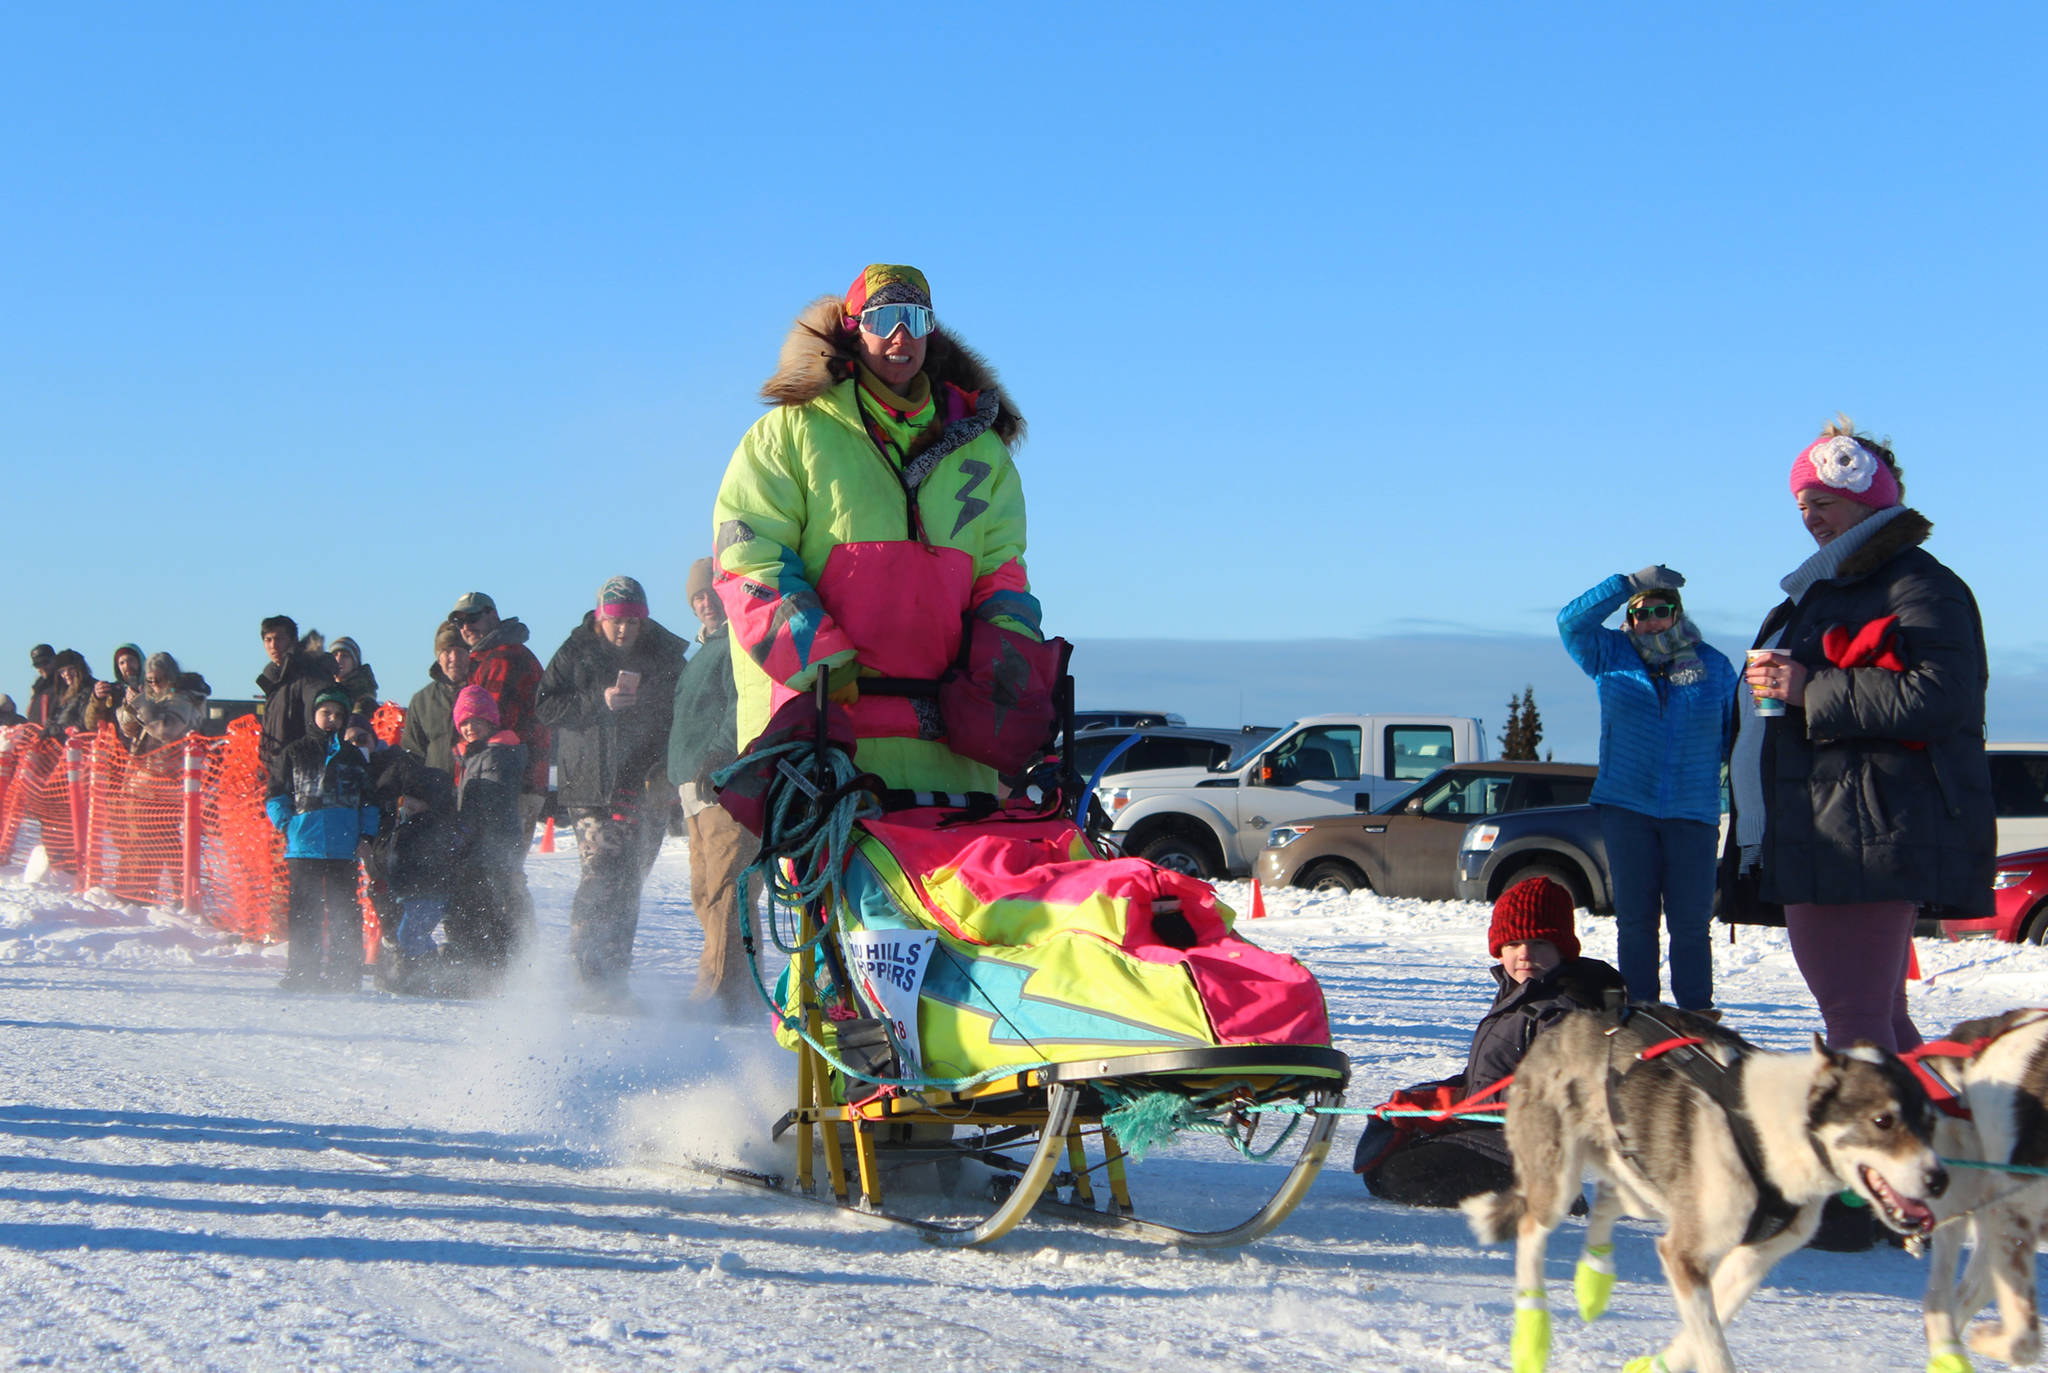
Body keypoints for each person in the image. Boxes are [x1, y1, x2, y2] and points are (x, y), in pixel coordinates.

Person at [711, 263, 1042, 795]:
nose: (899, 334)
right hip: (821, 734)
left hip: (950, 745)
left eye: (914, 317)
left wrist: (1006, 670)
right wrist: (820, 661)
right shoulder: (792, 431)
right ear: (852, 327)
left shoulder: (981, 450)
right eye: (883, 316)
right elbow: (748, 558)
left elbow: (1002, 572)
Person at [1728, 418, 1993, 1054]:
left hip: (1864, 833)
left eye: (1822, 502)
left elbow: (1944, 694)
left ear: (1867, 499)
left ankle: (1892, 1152)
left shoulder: (1916, 583)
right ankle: (1938, 1141)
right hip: (1828, 827)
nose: (1810, 518)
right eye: (1801, 506)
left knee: (1855, 1026)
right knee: (1878, 1021)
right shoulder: (1825, 590)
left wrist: (1806, 686)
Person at [1355, 876, 1625, 1206]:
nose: (1525, 954)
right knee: (1388, 1153)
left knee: (1398, 1174)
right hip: (1489, 1133)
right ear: (1499, 949)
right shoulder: (1515, 995)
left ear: (1562, 949)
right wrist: (1432, 1095)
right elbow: (1491, 1071)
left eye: (1539, 943)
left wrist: (1460, 1101)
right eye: (1513, 944)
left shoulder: (1562, 1011)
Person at [1558, 568, 1736, 1009]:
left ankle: (1696, 1016)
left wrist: (1738, 802)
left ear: (1678, 615)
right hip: (1626, 808)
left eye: (1662, 611)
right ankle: (1641, 1013)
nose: (1652, 621)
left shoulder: (1713, 665)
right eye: (1642, 613)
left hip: (1693, 812)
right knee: (1636, 922)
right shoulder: (1609, 655)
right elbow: (1569, 622)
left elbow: (1735, 737)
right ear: (1630, 618)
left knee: (1691, 923)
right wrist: (1628, 584)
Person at [538, 576, 688, 999]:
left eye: (632, 621)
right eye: (616, 621)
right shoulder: (577, 648)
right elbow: (545, 704)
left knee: (629, 881)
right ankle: (585, 974)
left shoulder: (665, 652)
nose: (623, 630)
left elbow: (683, 712)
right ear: (601, 616)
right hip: (592, 782)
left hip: (646, 782)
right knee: (601, 873)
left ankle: (613, 978)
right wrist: (596, 702)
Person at [668, 555, 759, 1018]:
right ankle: (736, 989)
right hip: (693, 788)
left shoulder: (739, 644)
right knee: (704, 892)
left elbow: (743, 703)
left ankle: (719, 992)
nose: (705, 602)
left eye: (712, 593)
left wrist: (722, 753)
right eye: (697, 596)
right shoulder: (701, 651)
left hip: (726, 784)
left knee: (728, 889)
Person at [265, 685, 379, 992]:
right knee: (305, 913)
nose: (331, 719)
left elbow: (369, 801)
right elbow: (275, 794)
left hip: (344, 848)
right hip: (304, 847)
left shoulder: (354, 757)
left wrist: (367, 834)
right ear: (314, 714)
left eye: (338, 715)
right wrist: (287, 823)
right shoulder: (294, 752)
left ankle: (345, 974)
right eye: (325, 712)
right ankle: (303, 974)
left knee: (345, 912)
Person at [442, 684, 529, 986]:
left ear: (490, 720)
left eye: (475, 720)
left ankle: (495, 969)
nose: (468, 727)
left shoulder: (497, 754)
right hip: (479, 846)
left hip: (493, 846)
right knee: (475, 905)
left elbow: (488, 803)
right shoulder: (474, 757)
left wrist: (464, 830)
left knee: (491, 906)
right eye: (463, 722)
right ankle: (479, 965)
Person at [447, 592, 549, 849]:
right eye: (460, 623)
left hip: (510, 782)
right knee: (498, 869)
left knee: (499, 867)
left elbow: (488, 726)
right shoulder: (484, 659)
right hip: (505, 778)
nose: (467, 627)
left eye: (473, 618)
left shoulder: (503, 658)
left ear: (492, 614)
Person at [257, 614, 338, 769]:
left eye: (279, 639)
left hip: (299, 768)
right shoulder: (276, 681)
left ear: (293, 641)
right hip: (273, 769)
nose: (273, 645)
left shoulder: (310, 673)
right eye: (268, 640)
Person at [400, 622, 468, 773]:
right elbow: (413, 751)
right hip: (434, 789)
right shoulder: (421, 701)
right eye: (447, 652)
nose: (454, 658)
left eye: (461, 651)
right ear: (438, 657)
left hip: (474, 786)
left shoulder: (483, 693)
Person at [115, 652, 209, 751]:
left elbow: (165, 731)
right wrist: (131, 706)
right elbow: (128, 730)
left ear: (170, 677)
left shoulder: (184, 699)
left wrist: (142, 706)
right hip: (146, 763)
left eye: (158, 679)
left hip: (174, 762)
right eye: (149, 681)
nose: (154, 684)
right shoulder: (150, 698)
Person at [87, 644, 145, 733]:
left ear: (140, 662)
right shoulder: (112, 691)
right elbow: (92, 724)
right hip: (116, 743)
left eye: (131, 660)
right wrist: (98, 699)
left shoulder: (154, 687)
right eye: (122, 663)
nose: (127, 666)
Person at [42, 650, 96, 737]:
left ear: (80, 668)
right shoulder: (63, 695)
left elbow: (83, 723)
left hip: (81, 743)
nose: (66, 674)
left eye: (71, 669)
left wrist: (54, 730)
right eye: (62, 671)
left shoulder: (90, 691)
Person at [329, 637, 380, 715]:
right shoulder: (320, 689)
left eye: (345, 656)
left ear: (354, 663)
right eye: (335, 655)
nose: (338, 660)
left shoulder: (364, 699)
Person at [24, 645, 57, 730]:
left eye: (45, 663)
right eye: (37, 665)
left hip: (55, 736)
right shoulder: (38, 686)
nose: (42, 668)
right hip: (35, 736)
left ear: (54, 660)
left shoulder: (64, 682)